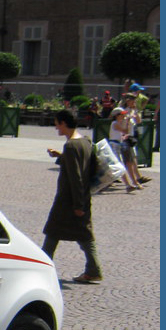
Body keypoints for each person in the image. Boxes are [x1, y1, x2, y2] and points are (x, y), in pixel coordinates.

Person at [42, 110, 102, 284]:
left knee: (52, 233)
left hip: (69, 200)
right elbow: (89, 167)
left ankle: (42, 268)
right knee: (84, 234)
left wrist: (78, 204)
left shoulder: (70, 146)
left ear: (63, 123)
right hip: (82, 197)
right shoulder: (85, 141)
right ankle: (93, 269)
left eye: (57, 124)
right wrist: (60, 156)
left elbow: (75, 176)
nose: (56, 127)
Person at [111, 99, 144, 191]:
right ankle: (127, 184)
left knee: (128, 163)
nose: (124, 115)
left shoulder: (119, 122)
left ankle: (133, 182)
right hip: (115, 145)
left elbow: (126, 132)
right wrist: (128, 121)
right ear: (117, 116)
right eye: (122, 114)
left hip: (121, 144)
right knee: (120, 166)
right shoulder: (115, 123)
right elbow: (125, 131)